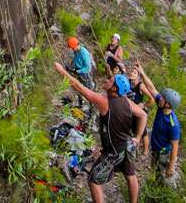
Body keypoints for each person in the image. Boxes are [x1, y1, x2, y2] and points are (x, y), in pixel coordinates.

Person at [54, 63, 147, 203]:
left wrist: (62, 72)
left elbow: (81, 89)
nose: (106, 80)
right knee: (130, 174)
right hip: (128, 146)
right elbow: (142, 115)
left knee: (93, 179)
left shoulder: (105, 102)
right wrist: (138, 137)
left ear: (114, 88)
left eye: (110, 81)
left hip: (113, 151)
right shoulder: (126, 101)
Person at [134, 61, 180, 187]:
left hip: (163, 156)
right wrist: (142, 73)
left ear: (169, 104)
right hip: (155, 153)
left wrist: (171, 166)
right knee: (155, 181)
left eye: (163, 98)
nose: (160, 99)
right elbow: (152, 88)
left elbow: (175, 146)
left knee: (167, 183)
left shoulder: (173, 124)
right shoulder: (161, 107)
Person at [127, 67, 154, 157]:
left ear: (138, 76)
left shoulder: (140, 85)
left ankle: (145, 151)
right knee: (134, 129)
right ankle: (136, 150)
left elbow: (151, 99)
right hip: (131, 110)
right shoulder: (128, 82)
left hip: (140, 111)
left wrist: (143, 105)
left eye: (134, 73)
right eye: (132, 72)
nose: (132, 73)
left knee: (143, 132)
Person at [66, 37, 93, 107]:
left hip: (83, 72)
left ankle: (91, 107)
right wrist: (72, 63)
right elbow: (76, 58)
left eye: (72, 47)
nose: (72, 49)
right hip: (77, 69)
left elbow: (87, 67)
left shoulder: (84, 53)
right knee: (77, 87)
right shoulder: (76, 51)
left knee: (87, 89)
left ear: (76, 45)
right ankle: (80, 103)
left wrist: (79, 71)